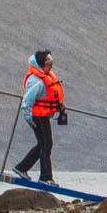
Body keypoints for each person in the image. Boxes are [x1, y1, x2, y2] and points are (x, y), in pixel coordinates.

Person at [14, 50, 67, 184]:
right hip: (37, 116)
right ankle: (45, 177)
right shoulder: (37, 81)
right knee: (46, 144)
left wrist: (59, 106)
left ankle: (22, 167)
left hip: (43, 115)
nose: (51, 67)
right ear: (41, 65)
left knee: (44, 144)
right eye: (49, 64)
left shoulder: (46, 77)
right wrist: (28, 118)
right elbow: (27, 101)